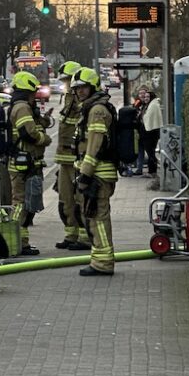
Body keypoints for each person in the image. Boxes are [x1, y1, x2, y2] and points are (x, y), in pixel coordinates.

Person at [72, 67, 118, 276]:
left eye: (83, 88)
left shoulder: (97, 110)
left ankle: (103, 262)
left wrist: (86, 174)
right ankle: (99, 258)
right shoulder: (91, 107)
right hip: (97, 172)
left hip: (98, 174)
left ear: (92, 87)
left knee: (98, 217)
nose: (79, 92)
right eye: (77, 88)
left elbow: (94, 145)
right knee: (93, 216)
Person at [7, 71, 52, 256]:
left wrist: (43, 119)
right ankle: (14, 240)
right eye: (33, 93)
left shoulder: (22, 107)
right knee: (20, 204)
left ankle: (22, 242)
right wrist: (45, 139)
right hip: (23, 164)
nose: (35, 96)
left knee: (27, 204)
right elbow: (29, 133)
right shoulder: (22, 107)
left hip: (27, 162)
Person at [54, 61, 91, 251]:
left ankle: (84, 238)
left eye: (68, 80)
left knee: (79, 200)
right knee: (65, 199)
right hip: (64, 158)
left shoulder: (82, 101)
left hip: (75, 158)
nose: (66, 84)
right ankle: (71, 235)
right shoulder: (67, 98)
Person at [140, 89, 163, 178]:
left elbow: (147, 118)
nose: (145, 98)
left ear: (151, 97)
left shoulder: (153, 105)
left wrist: (143, 116)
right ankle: (152, 170)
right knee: (150, 152)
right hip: (149, 132)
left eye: (147, 97)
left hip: (151, 132)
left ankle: (152, 171)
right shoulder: (149, 105)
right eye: (145, 97)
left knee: (150, 152)